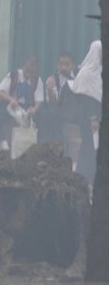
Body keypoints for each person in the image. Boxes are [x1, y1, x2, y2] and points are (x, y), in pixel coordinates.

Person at [0, 55, 44, 151]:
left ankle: (36, 146)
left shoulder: (37, 80)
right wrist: (11, 99)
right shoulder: (14, 75)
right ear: (22, 66)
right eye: (27, 71)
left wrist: (34, 109)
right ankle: (2, 141)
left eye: (32, 72)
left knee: (42, 118)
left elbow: (39, 100)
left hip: (27, 108)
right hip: (12, 106)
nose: (29, 74)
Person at [70, 40, 102, 184]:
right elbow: (84, 98)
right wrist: (93, 118)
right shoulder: (86, 72)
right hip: (89, 120)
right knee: (89, 148)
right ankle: (83, 179)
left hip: (100, 118)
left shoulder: (100, 71)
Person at [41, 52, 80, 159]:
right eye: (61, 64)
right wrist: (50, 89)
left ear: (73, 65)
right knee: (50, 113)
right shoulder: (52, 79)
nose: (63, 67)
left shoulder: (80, 77)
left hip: (75, 111)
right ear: (57, 65)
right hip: (60, 111)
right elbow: (52, 103)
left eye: (67, 64)